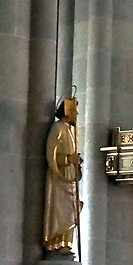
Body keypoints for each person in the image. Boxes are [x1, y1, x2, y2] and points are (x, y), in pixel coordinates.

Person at [42, 95, 82, 253]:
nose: (77, 114)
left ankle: (66, 243)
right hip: (60, 178)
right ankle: (56, 242)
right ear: (67, 111)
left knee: (72, 209)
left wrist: (76, 162)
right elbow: (51, 154)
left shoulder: (68, 130)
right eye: (75, 110)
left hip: (69, 176)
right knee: (62, 210)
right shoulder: (58, 127)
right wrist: (67, 159)